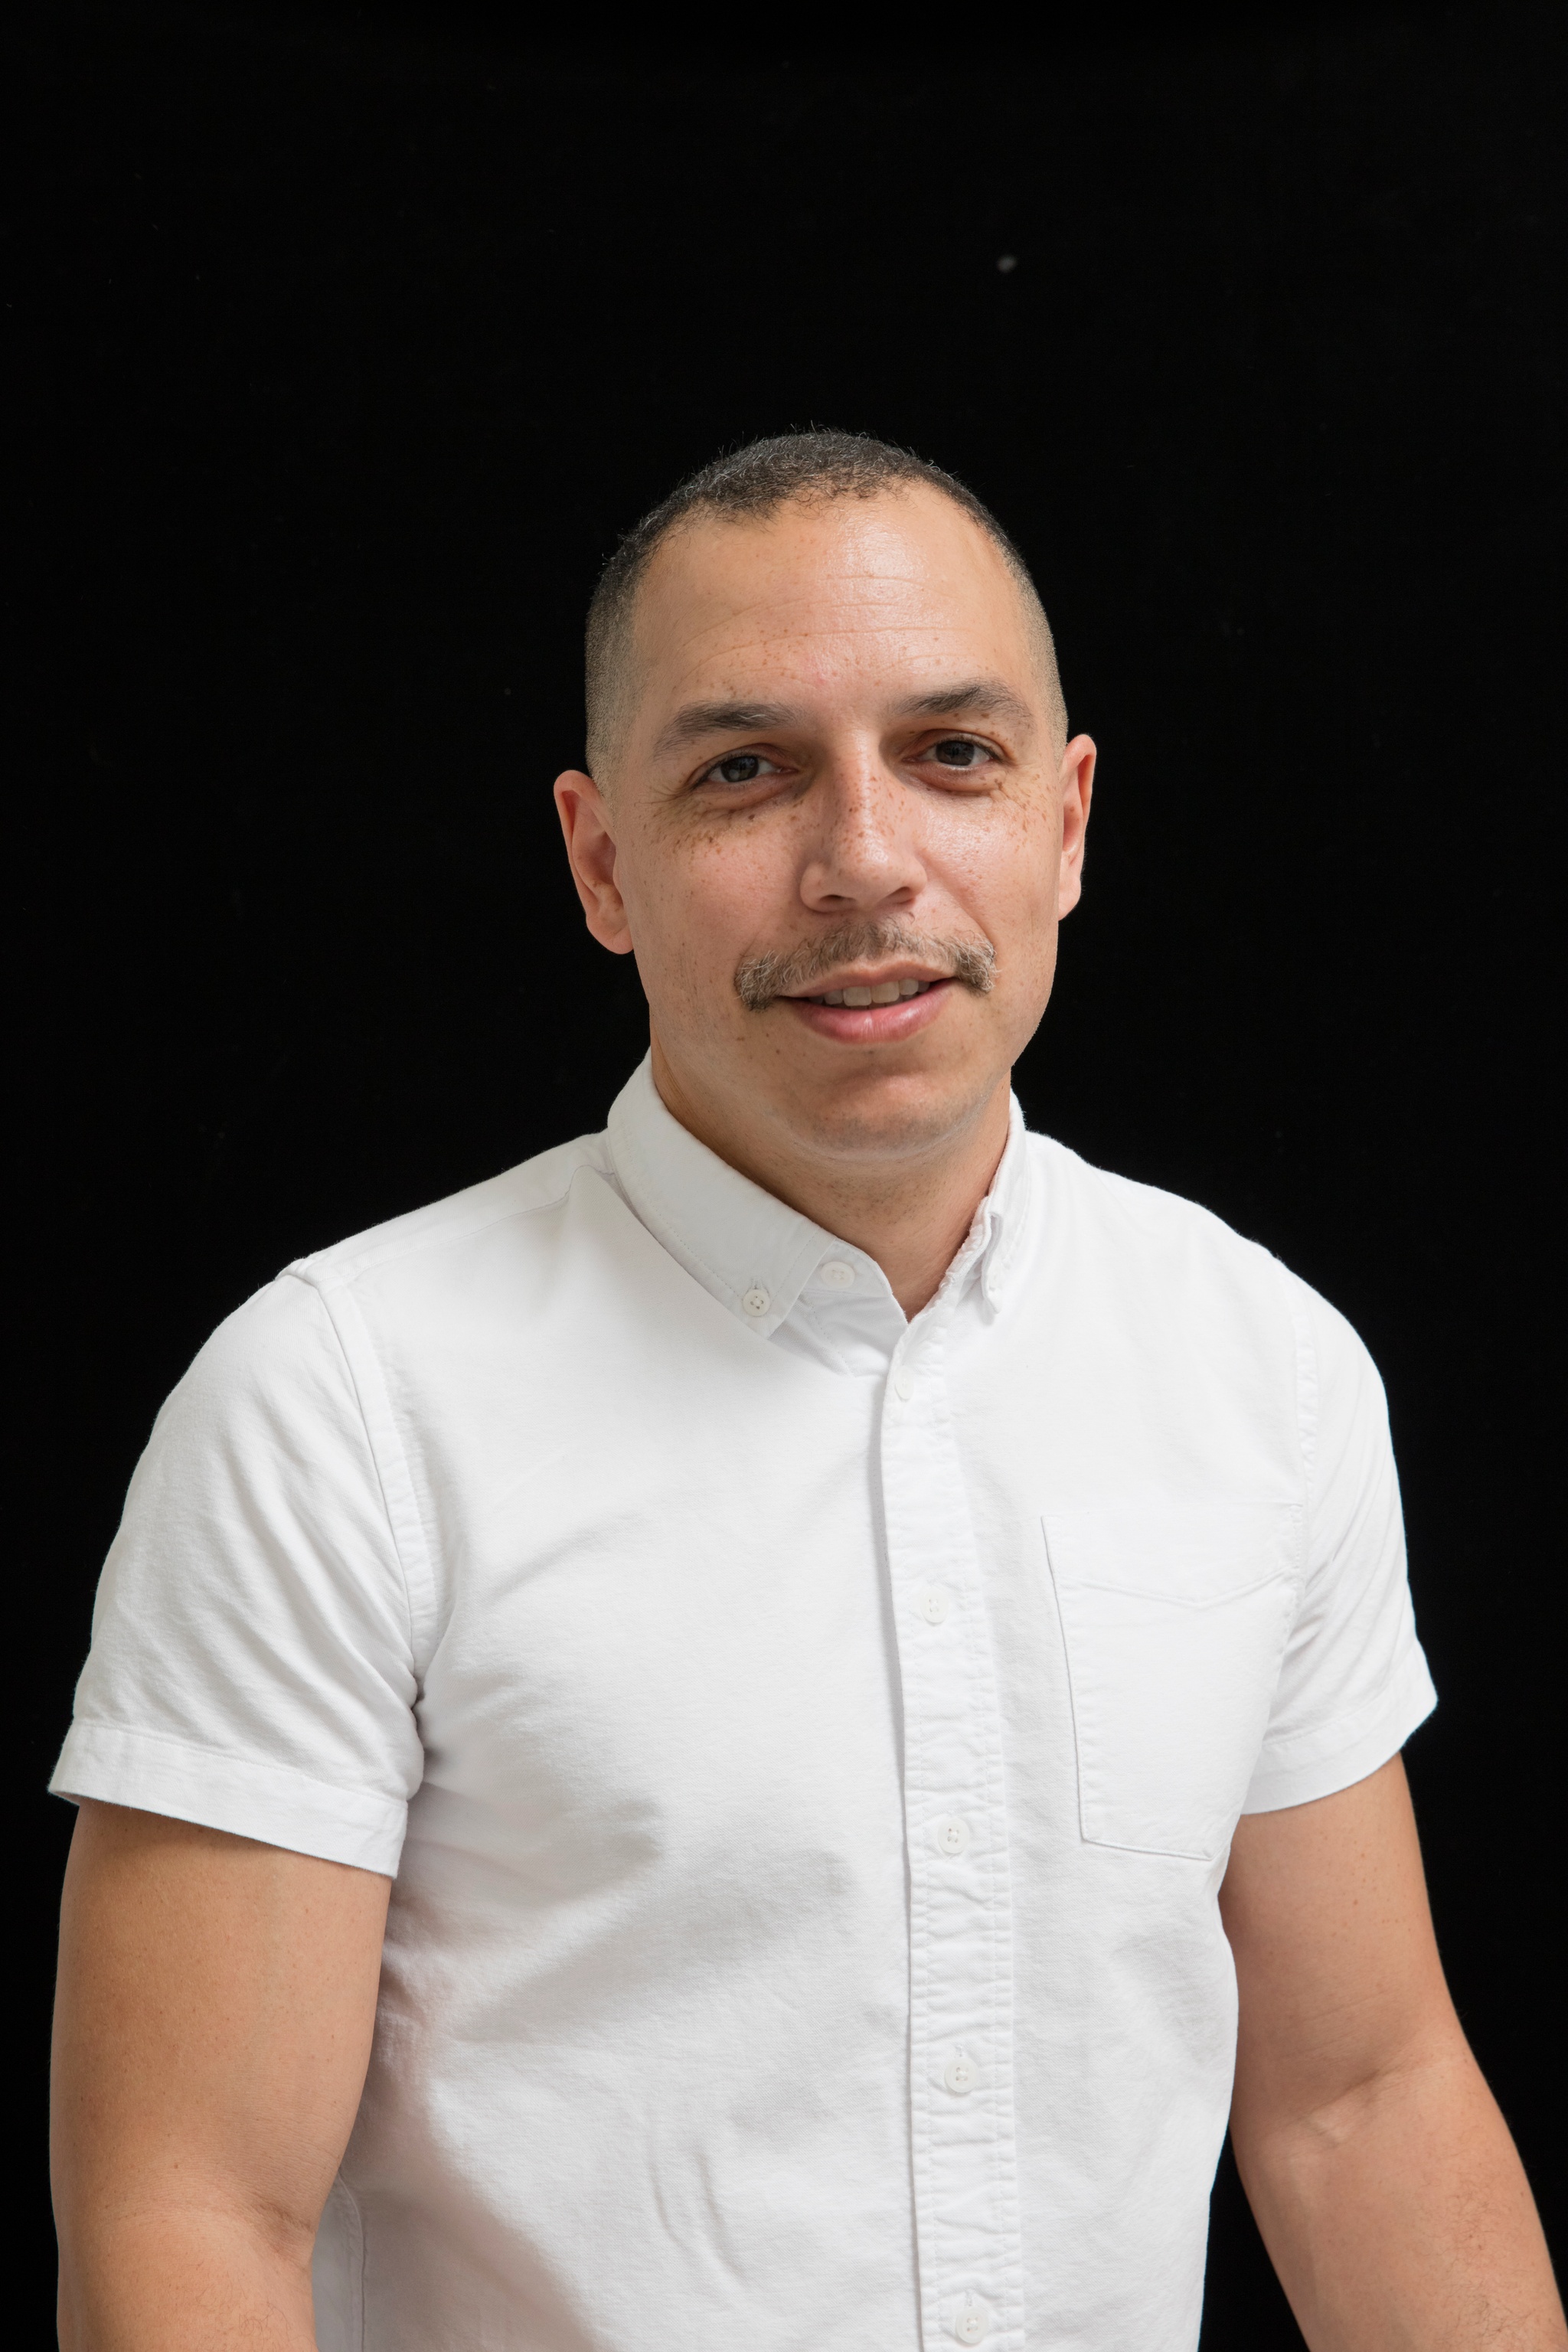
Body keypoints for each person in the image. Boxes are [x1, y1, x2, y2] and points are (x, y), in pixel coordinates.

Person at [50, 430, 1564, 2352]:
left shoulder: (1260, 1368)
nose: (865, 862)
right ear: (603, 861)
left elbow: (1362, 2107)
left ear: (1069, 820)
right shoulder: (335, 1409)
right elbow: (191, 2219)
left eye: (953, 755)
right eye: (745, 771)